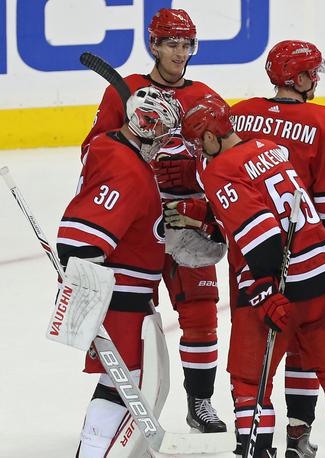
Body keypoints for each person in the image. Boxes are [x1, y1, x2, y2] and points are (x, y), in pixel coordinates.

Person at [182, 94, 325, 458]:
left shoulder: (220, 169)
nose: (200, 154)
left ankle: (257, 451)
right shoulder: (269, 149)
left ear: (209, 137)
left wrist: (265, 291)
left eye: (199, 144)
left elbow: (263, 232)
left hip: (283, 285)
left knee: (250, 381)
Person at [81, 8, 227, 433]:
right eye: (172, 44)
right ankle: (117, 401)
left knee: (201, 313)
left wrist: (200, 185)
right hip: (137, 223)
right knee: (133, 316)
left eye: (186, 45)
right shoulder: (124, 94)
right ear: (154, 45)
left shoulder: (206, 96)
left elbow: (224, 157)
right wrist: (139, 159)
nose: (180, 53)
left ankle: (200, 403)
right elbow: (94, 153)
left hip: (187, 221)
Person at [230, 39, 325, 456]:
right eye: (312, 73)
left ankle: (261, 445)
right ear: (300, 77)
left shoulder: (240, 115)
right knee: (317, 349)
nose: (315, 81)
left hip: (252, 267)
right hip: (310, 260)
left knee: (255, 373)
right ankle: (298, 434)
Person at [57, 87, 180, 456]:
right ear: (146, 124)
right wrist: (86, 301)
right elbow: (79, 241)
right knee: (124, 387)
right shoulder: (126, 168)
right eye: (162, 133)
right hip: (120, 302)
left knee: (129, 385)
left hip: (126, 300)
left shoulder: (116, 151)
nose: (163, 144)